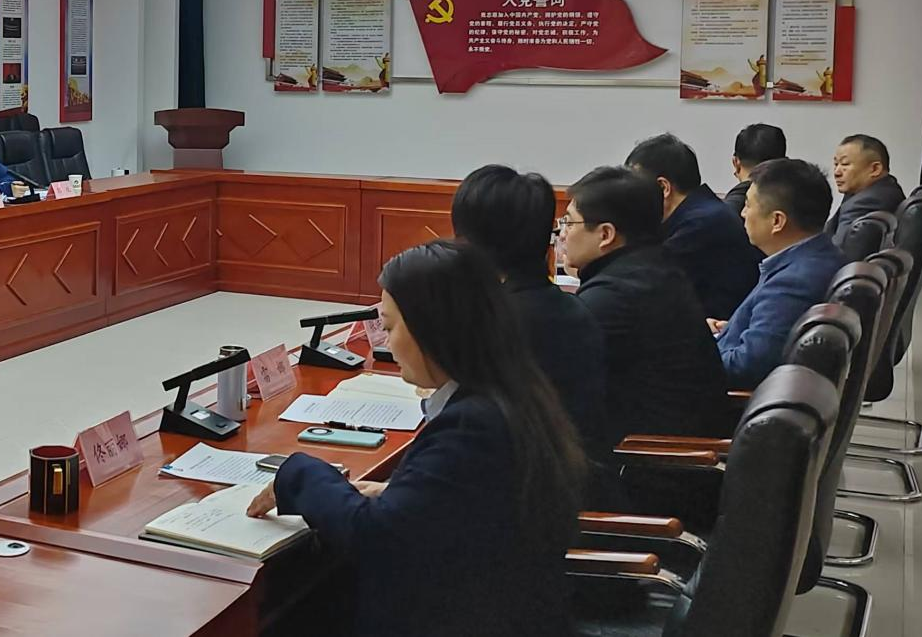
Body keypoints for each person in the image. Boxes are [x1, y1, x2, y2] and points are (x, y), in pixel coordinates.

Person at [246, 240, 585, 637]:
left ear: (431, 328)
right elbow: (465, 505)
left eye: (390, 327)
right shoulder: (514, 389)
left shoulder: (472, 426)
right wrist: (401, 493)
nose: (387, 342)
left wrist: (299, 474)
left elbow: (376, 537)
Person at [450, 164, 609, 475]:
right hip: (576, 477)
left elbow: (462, 432)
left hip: (523, 489)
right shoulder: (574, 308)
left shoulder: (493, 322)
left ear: (470, 241)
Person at [562, 167, 729, 444]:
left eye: (569, 223)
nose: (562, 234)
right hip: (674, 440)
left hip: (647, 458)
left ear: (605, 234)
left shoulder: (614, 297)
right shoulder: (655, 268)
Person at [714, 159, 847, 388]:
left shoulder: (793, 283)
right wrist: (731, 329)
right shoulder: (820, 256)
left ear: (777, 221)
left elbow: (745, 367)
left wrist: (689, 356)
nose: (743, 213)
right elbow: (772, 334)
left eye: (748, 205)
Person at [626, 133, 760, 320]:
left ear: (664, 187)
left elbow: (642, 282)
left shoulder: (702, 223)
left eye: (634, 188)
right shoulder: (700, 212)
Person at [825, 134, 906, 244]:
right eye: (836, 164)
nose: (836, 172)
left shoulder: (867, 202)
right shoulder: (886, 187)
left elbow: (836, 250)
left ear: (875, 169)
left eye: (845, 164)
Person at [725, 123, 787, 216]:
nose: (744, 213)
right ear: (784, 162)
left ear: (736, 162)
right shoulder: (799, 203)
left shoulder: (724, 211)